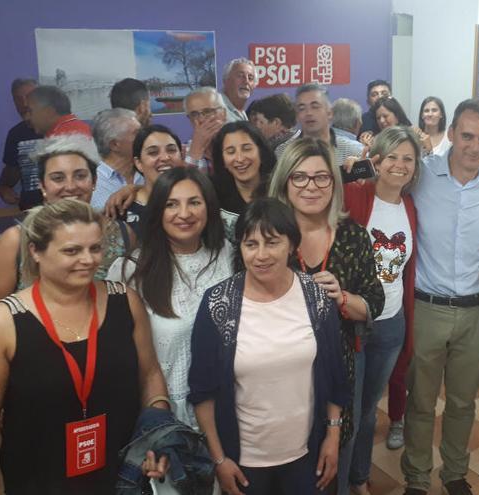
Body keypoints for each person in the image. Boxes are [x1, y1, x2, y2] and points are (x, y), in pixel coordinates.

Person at [0, 199, 170, 494]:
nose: (88, 260)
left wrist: (157, 433)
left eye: (95, 248)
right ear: (36, 252)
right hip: (35, 482)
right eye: (72, 251)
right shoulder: (1, 326)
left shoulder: (125, 302)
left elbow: (150, 375)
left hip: (122, 480)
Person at [188, 197, 349, 494]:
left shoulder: (316, 298)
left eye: (272, 242)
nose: (261, 255)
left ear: (291, 245)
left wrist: (333, 435)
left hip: (306, 454)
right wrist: (219, 458)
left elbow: (335, 374)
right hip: (245, 463)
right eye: (251, 244)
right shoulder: (218, 304)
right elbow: (202, 392)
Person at [402, 98, 479, 495]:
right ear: (450, 135)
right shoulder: (422, 174)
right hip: (427, 306)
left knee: (464, 404)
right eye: (466, 136)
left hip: (476, 311)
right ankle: (416, 477)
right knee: (420, 401)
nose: (475, 146)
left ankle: (453, 474)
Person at [267, 137, 384, 495]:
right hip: (278, 380)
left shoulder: (353, 235)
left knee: (332, 470)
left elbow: (374, 303)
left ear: (334, 184)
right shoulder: (267, 236)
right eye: (299, 177)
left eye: (321, 178)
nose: (311, 186)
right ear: (284, 183)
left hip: (337, 374)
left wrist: (343, 298)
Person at [108, 167, 233, 429]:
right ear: (157, 212)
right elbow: (120, 361)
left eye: (195, 203)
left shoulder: (228, 255)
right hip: (167, 423)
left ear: (208, 207)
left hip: (229, 415)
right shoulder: (130, 270)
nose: (184, 214)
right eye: (171, 205)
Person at [0, 135, 135, 319]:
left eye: (80, 176)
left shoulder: (123, 234)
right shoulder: (16, 241)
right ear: (43, 186)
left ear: (94, 182)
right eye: (58, 178)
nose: (70, 186)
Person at [342, 127, 420, 494]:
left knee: (370, 408)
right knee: (347, 411)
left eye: (408, 158)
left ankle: (358, 478)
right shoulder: (356, 196)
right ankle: (338, 480)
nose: (399, 165)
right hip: (352, 322)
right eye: (392, 157)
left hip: (390, 324)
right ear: (376, 159)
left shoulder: (409, 207)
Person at [275, 83, 365, 168]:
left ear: (329, 113)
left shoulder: (354, 151)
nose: (308, 113)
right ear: (297, 116)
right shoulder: (283, 152)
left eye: (315, 106)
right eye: (302, 108)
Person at [123, 124, 186, 236]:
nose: (165, 158)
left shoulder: (200, 198)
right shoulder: (122, 207)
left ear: (181, 156)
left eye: (171, 150)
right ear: (138, 163)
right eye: (153, 152)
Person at [210, 121, 276, 216]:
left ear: (261, 153)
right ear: (222, 160)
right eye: (231, 152)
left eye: (247, 149)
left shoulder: (280, 189)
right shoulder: (213, 195)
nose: (240, 159)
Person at [0, 78, 44, 209]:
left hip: (64, 212)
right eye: (18, 99)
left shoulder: (62, 128)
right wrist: (3, 188)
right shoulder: (16, 134)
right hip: (32, 213)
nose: (24, 104)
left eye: (29, 97)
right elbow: (12, 171)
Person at [90, 108, 143, 210]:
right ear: (115, 145)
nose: (144, 137)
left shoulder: (148, 172)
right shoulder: (93, 183)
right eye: (137, 133)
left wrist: (137, 189)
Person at [183, 87, 227, 170]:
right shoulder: (182, 152)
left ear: (223, 114)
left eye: (207, 112)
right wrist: (195, 152)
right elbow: (185, 181)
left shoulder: (238, 144)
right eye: (194, 114)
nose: (201, 119)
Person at [26, 85, 91, 138]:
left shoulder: (58, 140)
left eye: (30, 111)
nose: (27, 117)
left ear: (49, 112)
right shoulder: (84, 128)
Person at [220, 58, 257, 122]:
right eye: (240, 76)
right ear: (225, 80)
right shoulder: (216, 112)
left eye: (250, 78)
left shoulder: (242, 113)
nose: (246, 81)